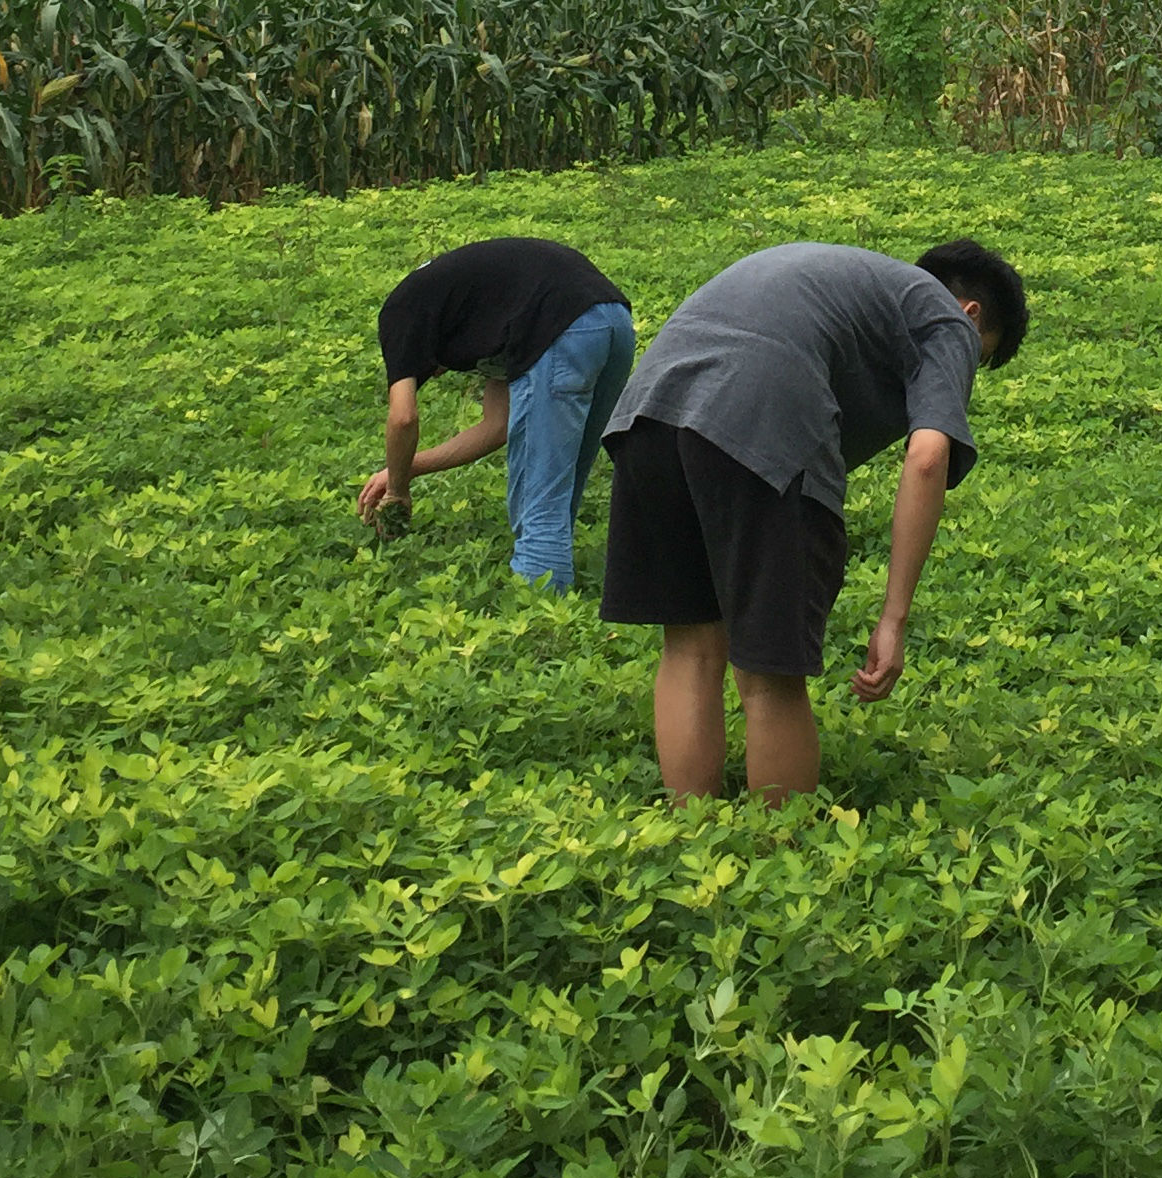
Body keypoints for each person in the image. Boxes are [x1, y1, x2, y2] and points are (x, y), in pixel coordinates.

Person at [597, 238, 1025, 803]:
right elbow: (927, 458)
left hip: (648, 414)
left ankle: (692, 832)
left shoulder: (850, 280)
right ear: (972, 315)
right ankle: (779, 851)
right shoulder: (949, 319)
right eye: (981, 358)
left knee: (690, 648)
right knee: (770, 676)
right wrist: (893, 619)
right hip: (759, 423)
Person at [354, 236, 637, 590]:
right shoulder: (480, 311)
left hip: (560, 327)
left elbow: (403, 417)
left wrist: (396, 490)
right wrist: (411, 468)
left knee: (539, 503)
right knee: (556, 487)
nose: (437, 375)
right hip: (613, 321)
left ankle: (538, 609)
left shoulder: (400, 313)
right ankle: (558, 585)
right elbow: (497, 425)